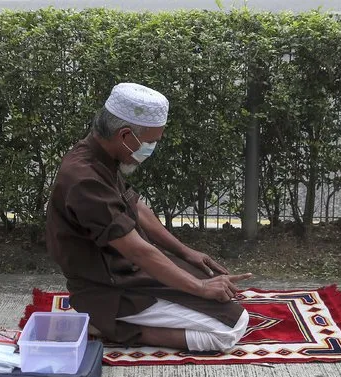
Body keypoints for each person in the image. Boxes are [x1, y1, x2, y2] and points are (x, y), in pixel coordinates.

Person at [46, 83, 252, 352]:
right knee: (228, 329)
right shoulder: (84, 179)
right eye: (151, 142)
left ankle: (116, 318)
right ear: (125, 135)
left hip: (128, 271)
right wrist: (199, 287)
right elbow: (139, 251)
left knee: (229, 306)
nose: (151, 149)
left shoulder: (99, 156)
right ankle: (113, 327)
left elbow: (137, 207)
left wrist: (186, 252)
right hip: (109, 288)